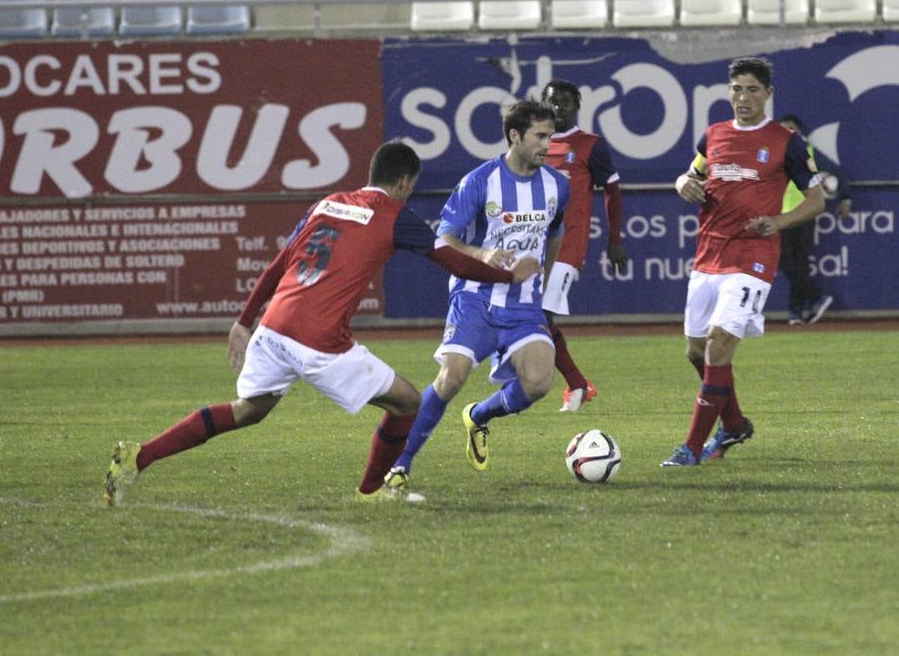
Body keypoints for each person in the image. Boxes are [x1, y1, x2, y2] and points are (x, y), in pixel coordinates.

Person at [103, 141, 540, 506]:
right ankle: (373, 490)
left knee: (249, 410)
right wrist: (507, 275)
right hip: (318, 340)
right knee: (406, 402)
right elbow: (449, 260)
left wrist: (243, 321)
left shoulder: (328, 202)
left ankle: (139, 457)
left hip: (274, 326)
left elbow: (279, 262)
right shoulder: (393, 215)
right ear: (405, 182)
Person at [386, 99, 569, 484]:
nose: (546, 145)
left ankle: (479, 416)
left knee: (538, 383)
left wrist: (542, 284)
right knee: (450, 378)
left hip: (522, 305)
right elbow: (444, 238)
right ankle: (400, 463)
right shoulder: (480, 181)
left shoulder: (557, 185)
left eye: (550, 136)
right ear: (514, 136)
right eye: (539, 136)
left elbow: (555, 233)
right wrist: (481, 253)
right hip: (475, 297)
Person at [661, 57, 826, 467]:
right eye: (737, 89)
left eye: (753, 90)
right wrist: (683, 184)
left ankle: (692, 448)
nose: (743, 97)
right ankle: (733, 423)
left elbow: (817, 200)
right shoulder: (713, 135)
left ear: (768, 94)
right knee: (695, 352)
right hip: (708, 254)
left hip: (752, 257)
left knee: (719, 345)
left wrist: (779, 221)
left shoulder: (788, 142)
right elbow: (690, 175)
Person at [540, 78, 629, 412]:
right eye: (552, 101)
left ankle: (576, 385)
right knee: (534, 318)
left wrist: (614, 239)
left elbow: (613, 192)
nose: (558, 108)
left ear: (577, 105)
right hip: (531, 247)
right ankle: (575, 383)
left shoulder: (591, 145)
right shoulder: (535, 143)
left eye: (565, 101)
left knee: (542, 316)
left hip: (566, 247)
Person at [777, 113, 853, 326]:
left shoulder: (807, 152)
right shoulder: (773, 153)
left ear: (800, 132)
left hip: (804, 214)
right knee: (785, 261)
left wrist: (845, 197)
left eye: (791, 129)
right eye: (783, 129)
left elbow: (837, 173)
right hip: (781, 216)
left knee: (799, 263)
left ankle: (795, 312)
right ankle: (815, 297)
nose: (787, 133)